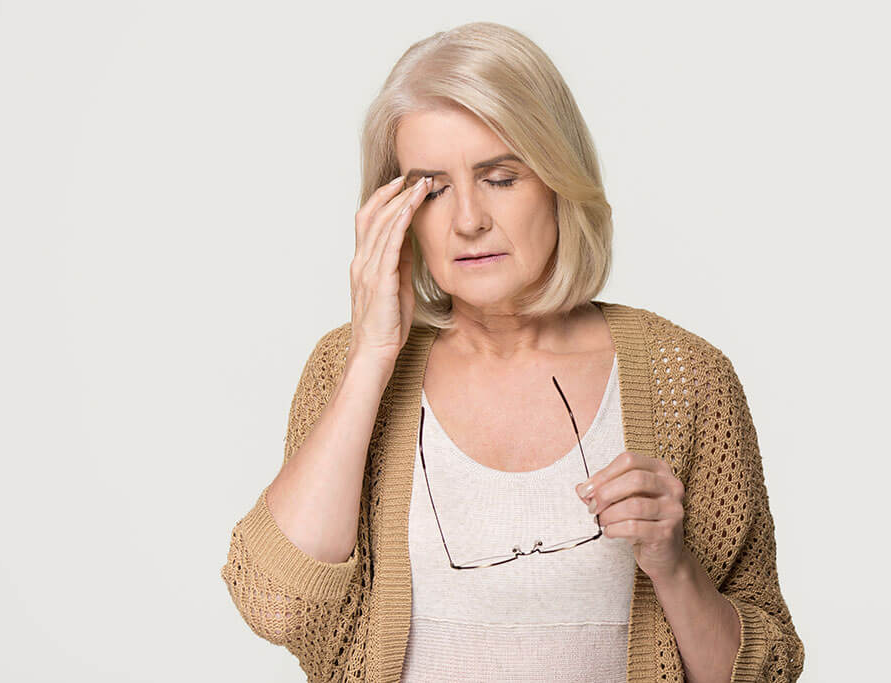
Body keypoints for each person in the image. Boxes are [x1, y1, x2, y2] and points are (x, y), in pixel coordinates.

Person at [221, 21, 804, 683]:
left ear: (558, 179)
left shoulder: (685, 380)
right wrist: (372, 353)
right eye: (431, 189)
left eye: (500, 177)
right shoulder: (349, 367)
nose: (468, 219)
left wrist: (674, 566)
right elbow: (275, 605)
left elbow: (766, 671)